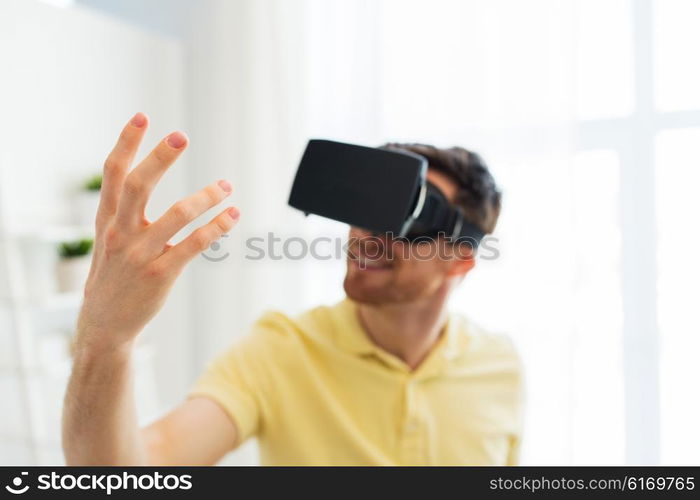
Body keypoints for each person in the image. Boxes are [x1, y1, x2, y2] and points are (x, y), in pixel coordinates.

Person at [63, 112, 523, 466]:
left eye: (409, 217)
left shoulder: (499, 368)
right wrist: (106, 339)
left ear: (461, 259)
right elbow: (132, 470)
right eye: (366, 207)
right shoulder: (280, 351)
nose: (366, 234)